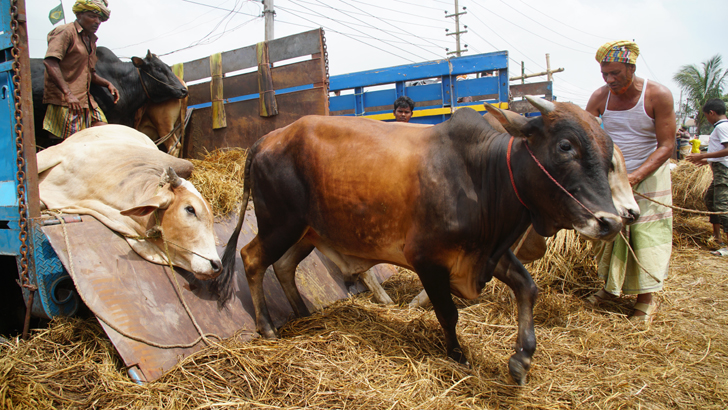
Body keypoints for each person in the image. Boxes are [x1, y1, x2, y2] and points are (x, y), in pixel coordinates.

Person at [585, 40, 676, 322]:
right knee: (611, 234)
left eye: (615, 73)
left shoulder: (657, 95)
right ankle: (609, 289)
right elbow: (588, 137)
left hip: (650, 175)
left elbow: (667, 145)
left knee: (646, 236)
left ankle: (646, 299)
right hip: (615, 174)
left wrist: (636, 176)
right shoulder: (600, 97)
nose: (610, 80)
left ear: (631, 67)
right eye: (605, 74)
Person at [42, 0, 119, 140]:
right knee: (73, 144)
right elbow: (50, 61)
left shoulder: (90, 41)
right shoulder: (65, 32)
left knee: (106, 135)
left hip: (85, 100)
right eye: (92, 16)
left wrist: (107, 84)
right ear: (79, 14)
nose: (97, 21)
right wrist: (68, 94)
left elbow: (89, 73)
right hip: (65, 101)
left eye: (100, 18)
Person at [686, 99, 728, 255]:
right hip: (719, 169)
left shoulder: (722, 127)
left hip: (724, 171)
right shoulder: (721, 127)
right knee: (710, 200)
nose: (707, 119)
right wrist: (704, 160)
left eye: (706, 116)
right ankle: (717, 237)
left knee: (723, 206)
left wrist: (704, 155)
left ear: (712, 113)